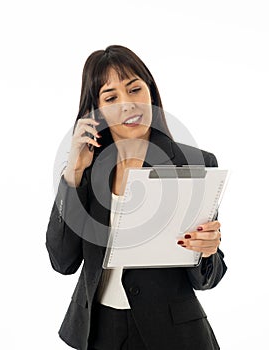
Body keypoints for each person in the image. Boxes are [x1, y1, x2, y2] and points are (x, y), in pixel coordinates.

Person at [46, 45, 227, 350]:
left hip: (173, 336)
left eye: (134, 89)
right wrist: (73, 173)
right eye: (111, 97)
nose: (127, 104)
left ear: (151, 94)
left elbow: (207, 279)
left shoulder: (194, 165)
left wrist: (206, 251)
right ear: (96, 111)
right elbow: (62, 261)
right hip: (98, 332)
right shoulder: (88, 173)